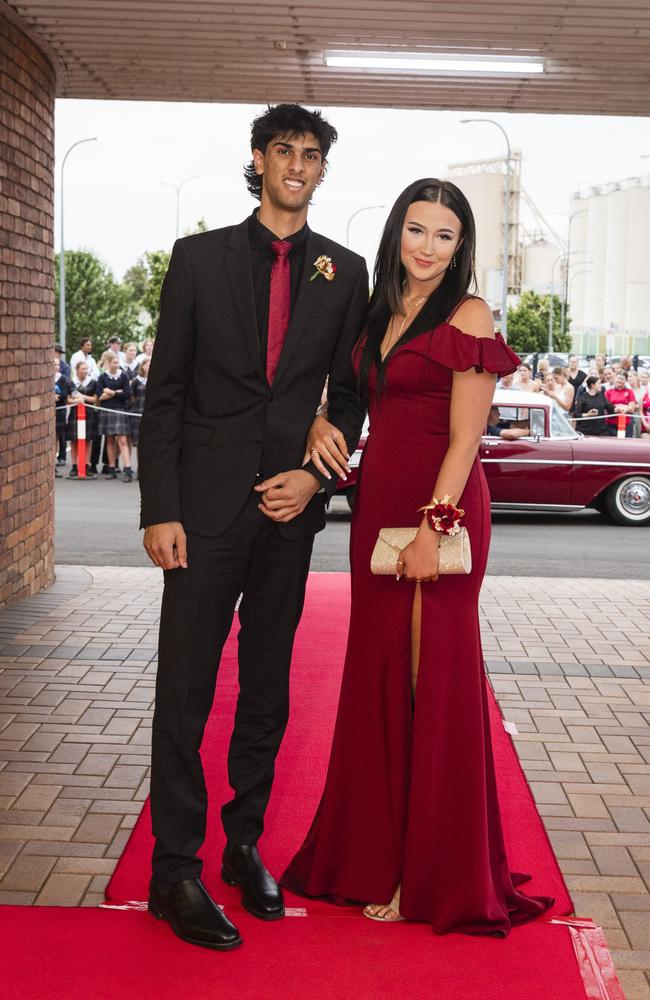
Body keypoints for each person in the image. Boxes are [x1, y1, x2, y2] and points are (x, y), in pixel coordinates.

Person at [282, 178, 554, 936]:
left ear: (461, 245)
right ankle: (372, 855)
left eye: (444, 235)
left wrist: (435, 526)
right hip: (378, 509)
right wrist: (313, 425)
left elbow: (467, 438)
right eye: (416, 229)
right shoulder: (379, 311)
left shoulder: (468, 316)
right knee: (378, 681)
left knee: (426, 680)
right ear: (396, 233)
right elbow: (344, 395)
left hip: (442, 509)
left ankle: (425, 873)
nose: (427, 246)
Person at [138, 103, 369, 952]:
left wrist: (314, 477)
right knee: (186, 691)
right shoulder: (198, 260)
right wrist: (159, 507)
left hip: (288, 512)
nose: (299, 166)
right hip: (198, 514)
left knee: (267, 688)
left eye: (313, 155)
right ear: (258, 159)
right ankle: (174, 868)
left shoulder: (344, 274)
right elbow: (165, 393)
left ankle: (242, 846)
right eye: (285, 151)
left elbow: (348, 397)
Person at [97, 350, 134, 480]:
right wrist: (117, 392)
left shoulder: (123, 376)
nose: (117, 364)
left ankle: (127, 469)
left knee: (123, 440)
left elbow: (127, 394)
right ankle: (111, 468)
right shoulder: (102, 377)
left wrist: (111, 392)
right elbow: (99, 396)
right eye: (114, 362)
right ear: (108, 363)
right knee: (110, 440)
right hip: (107, 410)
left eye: (118, 362)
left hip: (120, 409)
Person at [66, 359, 99, 477]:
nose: (86, 371)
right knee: (74, 440)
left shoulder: (93, 382)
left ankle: (86, 465)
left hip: (89, 413)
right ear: (77, 370)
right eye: (83, 369)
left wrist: (82, 397)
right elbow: (68, 399)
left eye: (87, 369)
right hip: (75, 413)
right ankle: (74, 466)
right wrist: (76, 400)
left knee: (87, 440)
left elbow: (95, 399)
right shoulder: (71, 383)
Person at [605, 370, 636, 437]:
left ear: (626, 381)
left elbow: (632, 409)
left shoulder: (629, 391)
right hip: (611, 423)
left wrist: (623, 408)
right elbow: (606, 407)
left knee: (626, 445)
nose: (619, 380)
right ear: (615, 378)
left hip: (626, 424)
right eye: (618, 378)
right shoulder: (609, 391)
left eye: (622, 379)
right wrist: (622, 406)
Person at [128, 357, 149, 457]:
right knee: (136, 440)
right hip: (136, 412)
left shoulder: (155, 380)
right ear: (143, 367)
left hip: (149, 413)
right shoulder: (136, 380)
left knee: (147, 440)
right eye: (148, 365)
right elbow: (131, 395)